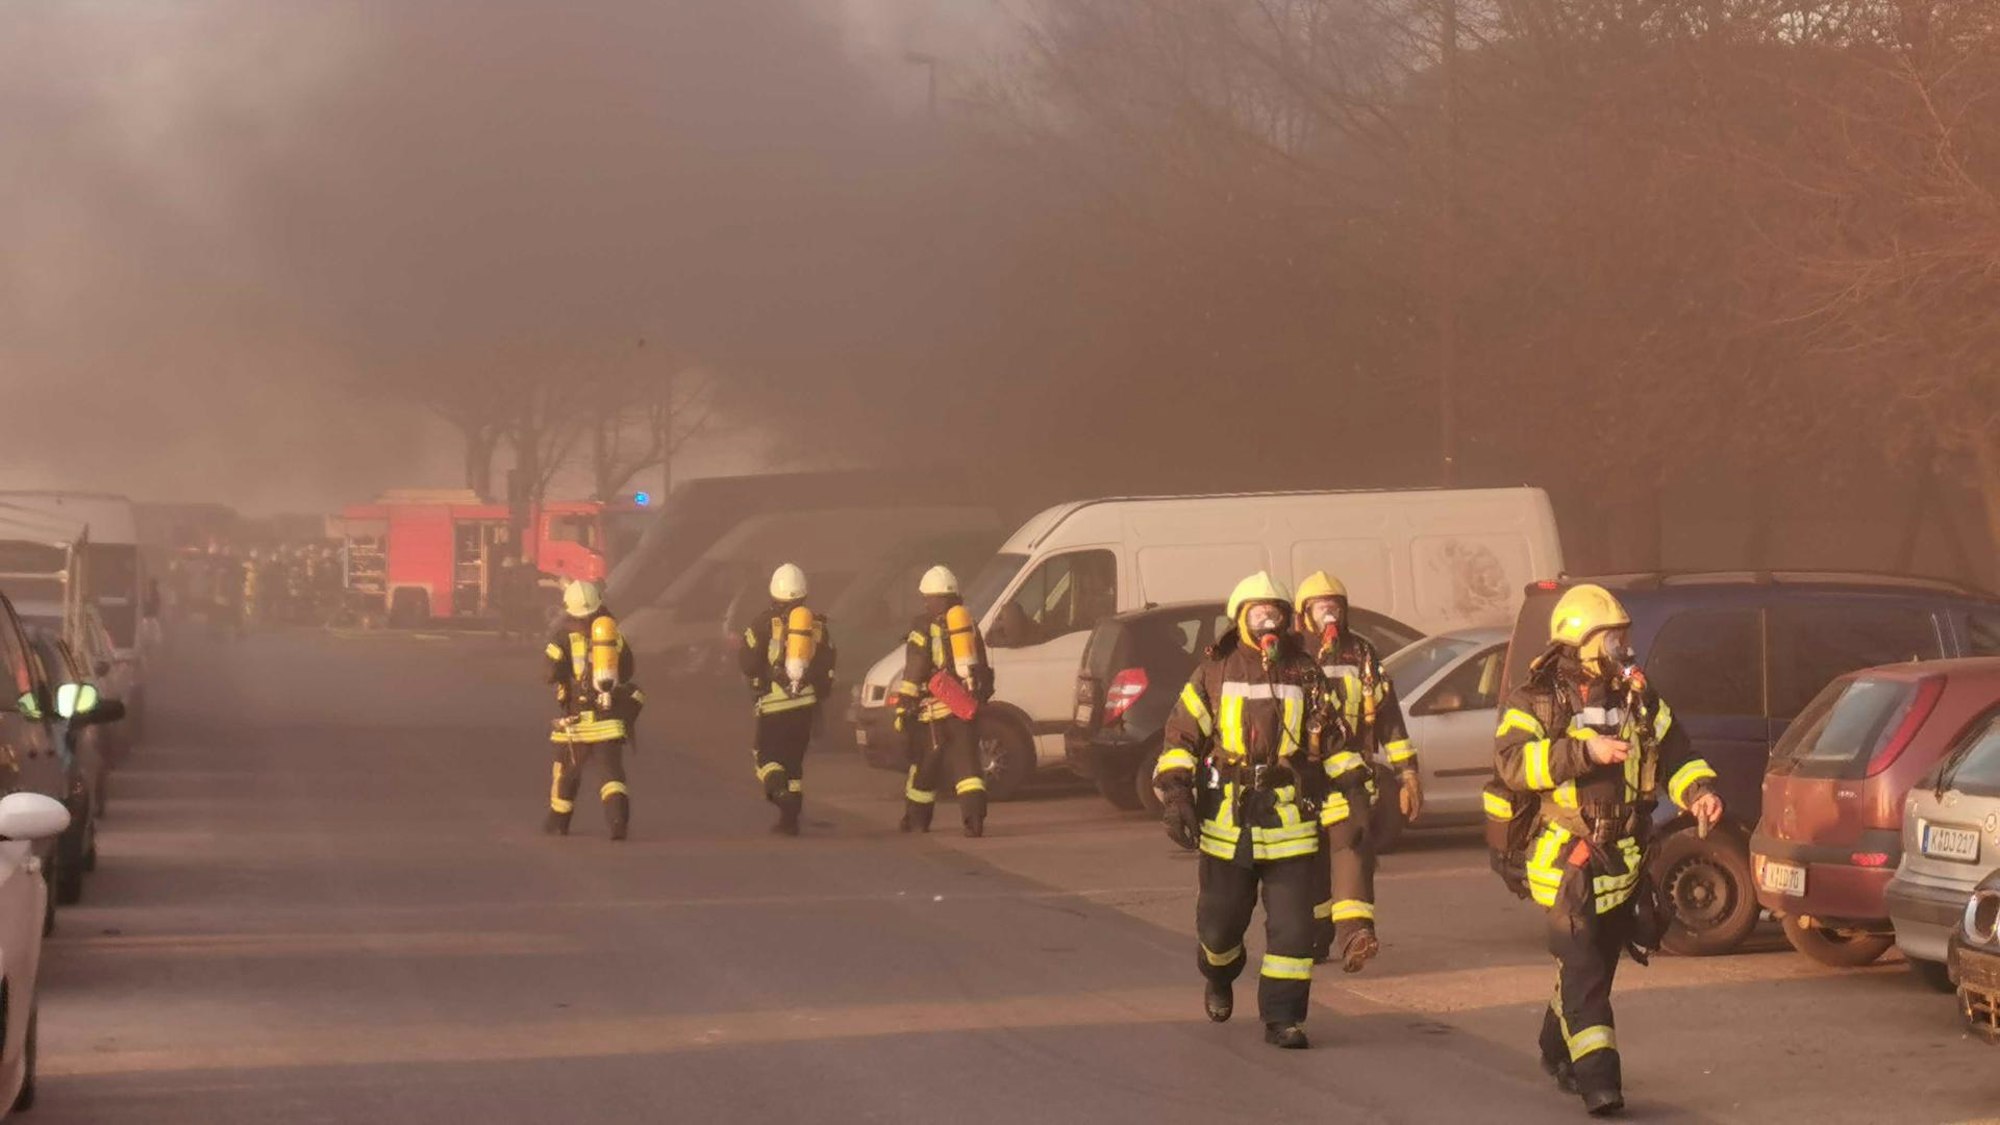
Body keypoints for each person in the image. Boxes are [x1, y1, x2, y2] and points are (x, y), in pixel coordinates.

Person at [1493, 583, 1722, 1115]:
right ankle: (1601, 1082)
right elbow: (1511, 763)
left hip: (1624, 858)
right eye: (1612, 638)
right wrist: (1582, 752)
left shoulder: (1639, 698)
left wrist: (1701, 792)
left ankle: (1555, 1047)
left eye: (1625, 636)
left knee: (1590, 966)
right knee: (1586, 969)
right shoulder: (1536, 700)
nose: (1624, 646)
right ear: (1581, 640)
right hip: (1565, 857)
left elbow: (1678, 753)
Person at [1152, 572, 1324, 1050]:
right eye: (1258, 612)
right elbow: (1180, 737)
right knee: (1219, 924)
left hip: (1289, 820)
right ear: (1241, 618)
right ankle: (1219, 973)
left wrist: (1351, 783)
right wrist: (1177, 794)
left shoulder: (1304, 670)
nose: (1268, 620)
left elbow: (1330, 742)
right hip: (1229, 820)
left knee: (1293, 931)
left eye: (1276, 612)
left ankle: (1284, 1018)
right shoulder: (1215, 670)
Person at [1293, 570, 1421, 970]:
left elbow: (1389, 718)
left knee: (1354, 845)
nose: (1329, 613)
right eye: (1320, 606)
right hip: (1299, 778)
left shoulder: (1362, 655)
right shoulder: (1290, 654)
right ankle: (1314, 937)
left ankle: (1355, 935)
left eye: (1336, 605)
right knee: (1307, 862)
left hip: (1349, 775)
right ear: (1303, 614)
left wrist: (1408, 773)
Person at [888, 565, 992, 838]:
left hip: (931, 713)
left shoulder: (922, 627)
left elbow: (916, 667)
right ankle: (974, 821)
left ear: (935, 598)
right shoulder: (969, 624)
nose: (925, 602)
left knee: (925, 769)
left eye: (927, 597)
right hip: (963, 709)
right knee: (968, 767)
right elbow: (981, 666)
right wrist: (978, 697)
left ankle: (916, 820)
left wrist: (904, 705)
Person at [738, 563, 836, 836]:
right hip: (805, 706)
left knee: (765, 757)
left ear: (773, 593)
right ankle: (789, 821)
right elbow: (828, 663)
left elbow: (747, 662)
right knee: (794, 764)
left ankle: (779, 794)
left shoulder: (761, 624)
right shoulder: (818, 626)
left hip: (773, 705)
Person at [543, 581, 643, 840]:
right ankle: (618, 822)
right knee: (612, 776)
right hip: (608, 720)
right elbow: (628, 670)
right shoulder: (613, 635)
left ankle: (559, 822)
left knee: (566, 772)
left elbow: (548, 674)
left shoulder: (561, 638)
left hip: (575, 722)